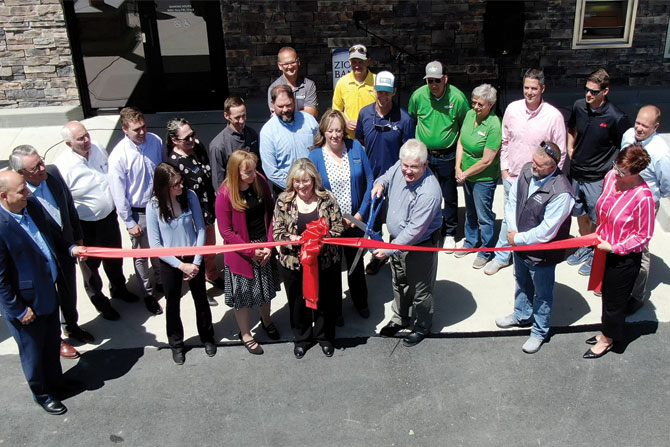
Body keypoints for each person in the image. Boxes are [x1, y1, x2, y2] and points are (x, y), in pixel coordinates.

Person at [0, 170, 87, 415]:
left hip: (47, 291)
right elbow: (1, 279)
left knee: (51, 343)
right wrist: (18, 309)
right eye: (22, 191)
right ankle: (42, 393)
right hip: (26, 305)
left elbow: (52, 237)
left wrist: (70, 249)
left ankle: (56, 383)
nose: (29, 193)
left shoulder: (32, 207)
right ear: (4, 196)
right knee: (33, 353)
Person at [9, 145, 89, 360]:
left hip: (67, 247)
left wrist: (77, 236)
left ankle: (71, 326)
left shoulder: (53, 173)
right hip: (43, 258)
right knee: (49, 300)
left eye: (42, 161)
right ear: (21, 174)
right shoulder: (18, 197)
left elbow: (69, 206)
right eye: (36, 167)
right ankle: (58, 340)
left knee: (69, 291)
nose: (43, 168)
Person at [485, 68, 568, 275]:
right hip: (513, 176)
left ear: (543, 89)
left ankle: (527, 256)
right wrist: (504, 169)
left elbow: (561, 152)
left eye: (534, 88)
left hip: (540, 181)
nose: (529, 92)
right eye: (526, 87)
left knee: (533, 220)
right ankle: (503, 256)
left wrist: (550, 180)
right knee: (509, 217)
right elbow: (504, 141)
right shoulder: (512, 109)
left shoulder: (553, 116)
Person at [55, 121, 139, 322]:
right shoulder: (62, 167)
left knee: (115, 257)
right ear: (69, 143)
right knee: (91, 268)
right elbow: (63, 204)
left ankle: (119, 289)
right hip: (85, 226)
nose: (86, 141)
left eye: (86, 135)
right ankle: (100, 302)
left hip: (108, 219)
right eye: (80, 138)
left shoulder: (99, 148)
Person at [494, 142, 575, 354]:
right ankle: (521, 315)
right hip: (519, 243)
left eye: (540, 165)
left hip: (543, 253)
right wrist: (512, 230)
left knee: (542, 293)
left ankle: (539, 331)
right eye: (533, 161)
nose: (533, 167)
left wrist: (518, 238)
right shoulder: (527, 169)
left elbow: (546, 231)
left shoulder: (562, 193)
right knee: (521, 281)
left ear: (553, 167)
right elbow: (513, 200)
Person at [583, 144, 654, 359]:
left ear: (636, 172)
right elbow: (603, 210)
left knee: (615, 300)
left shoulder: (643, 197)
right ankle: (607, 330)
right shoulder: (611, 177)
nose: (616, 172)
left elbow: (643, 236)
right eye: (616, 166)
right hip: (603, 247)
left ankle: (608, 339)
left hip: (623, 256)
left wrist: (615, 247)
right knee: (604, 293)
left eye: (623, 171)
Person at [373, 139, 443, 347]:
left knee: (421, 290)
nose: (408, 171)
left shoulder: (429, 192)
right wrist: (380, 183)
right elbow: (387, 175)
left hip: (419, 245)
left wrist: (388, 250)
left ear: (425, 165)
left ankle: (422, 326)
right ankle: (400, 318)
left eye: (414, 167)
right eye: (405, 165)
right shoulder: (400, 166)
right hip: (396, 241)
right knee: (399, 282)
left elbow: (414, 231)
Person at [273, 158, 344, 358]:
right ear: (291, 182)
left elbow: (338, 227)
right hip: (294, 264)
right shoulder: (283, 200)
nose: (302, 186)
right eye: (297, 181)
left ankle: (325, 337)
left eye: (306, 181)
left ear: (314, 180)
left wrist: (323, 239)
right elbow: (277, 233)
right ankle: (302, 338)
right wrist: (294, 240)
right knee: (297, 303)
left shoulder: (327, 198)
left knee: (326, 303)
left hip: (325, 262)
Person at [145, 163, 217, 365]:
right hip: (171, 262)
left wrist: (196, 261)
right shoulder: (153, 207)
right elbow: (156, 245)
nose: (180, 186)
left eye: (180, 181)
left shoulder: (190, 196)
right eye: (175, 184)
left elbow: (201, 229)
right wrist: (180, 265)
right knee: (173, 303)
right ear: (163, 186)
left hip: (194, 257)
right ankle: (176, 344)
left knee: (201, 299)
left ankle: (207, 337)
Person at [309, 109, 373, 320]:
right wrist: (329, 221)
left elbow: (370, 182)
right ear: (324, 132)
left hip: (354, 221)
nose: (335, 135)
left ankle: (360, 301)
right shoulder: (316, 156)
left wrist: (361, 213)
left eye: (338, 130)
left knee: (356, 265)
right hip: (329, 226)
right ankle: (335, 310)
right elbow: (312, 192)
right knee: (332, 270)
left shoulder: (356, 148)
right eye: (330, 131)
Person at [215, 151, 281, 355]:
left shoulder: (259, 181)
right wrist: (252, 251)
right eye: (248, 172)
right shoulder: (225, 194)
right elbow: (226, 231)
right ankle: (245, 333)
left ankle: (266, 320)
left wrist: (269, 246)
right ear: (236, 172)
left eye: (254, 169)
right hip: (242, 253)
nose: (253, 174)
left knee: (265, 291)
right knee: (243, 297)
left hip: (263, 246)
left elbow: (272, 213)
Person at [566, 68, 631, 277]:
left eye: (594, 92)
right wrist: (570, 147)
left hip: (597, 179)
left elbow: (627, 147)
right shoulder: (579, 106)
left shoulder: (616, 117)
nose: (588, 95)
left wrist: (616, 172)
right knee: (580, 212)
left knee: (599, 218)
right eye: (586, 90)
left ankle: (596, 251)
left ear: (605, 91)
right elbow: (572, 128)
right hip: (577, 173)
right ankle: (585, 245)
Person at [355, 70, 415, 275]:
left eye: (387, 92)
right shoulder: (364, 114)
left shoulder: (405, 119)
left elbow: (409, 153)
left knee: (397, 220)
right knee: (374, 219)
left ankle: (396, 253)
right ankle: (377, 254)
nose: (383, 96)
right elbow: (360, 143)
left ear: (394, 92)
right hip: (372, 178)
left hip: (397, 179)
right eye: (379, 92)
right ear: (374, 90)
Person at [108, 106, 165, 315]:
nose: (142, 133)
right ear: (125, 129)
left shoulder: (155, 141)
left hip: (158, 205)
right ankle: (148, 293)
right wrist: (129, 221)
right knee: (141, 255)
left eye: (143, 127)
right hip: (137, 211)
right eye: (136, 130)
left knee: (159, 248)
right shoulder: (118, 156)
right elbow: (118, 192)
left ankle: (160, 281)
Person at [408, 61, 469, 252]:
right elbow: (412, 119)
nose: (433, 85)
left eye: (437, 80)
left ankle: (449, 232)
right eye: (429, 81)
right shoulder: (418, 96)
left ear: (445, 79)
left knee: (449, 195)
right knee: (421, 194)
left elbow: (465, 125)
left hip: (447, 155)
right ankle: (425, 227)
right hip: (424, 156)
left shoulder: (457, 98)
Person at [165, 118, 222, 304]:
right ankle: (199, 288)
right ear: (175, 140)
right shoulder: (173, 162)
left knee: (210, 245)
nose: (192, 139)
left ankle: (211, 274)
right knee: (196, 250)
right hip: (190, 212)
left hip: (207, 205)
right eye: (186, 137)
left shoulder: (197, 146)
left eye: (192, 134)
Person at [620, 105, 670, 314]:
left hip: (646, 204)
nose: (639, 128)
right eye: (638, 122)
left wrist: (652, 198)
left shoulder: (660, 152)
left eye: (645, 126)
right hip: (623, 198)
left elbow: (666, 184)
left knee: (641, 248)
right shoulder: (628, 135)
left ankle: (637, 295)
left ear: (656, 127)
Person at [454, 84, 502, 269]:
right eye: (473, 102)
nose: (475, 107)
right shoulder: (468, 115)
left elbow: (487, 160)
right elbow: (461, 142)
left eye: (480, 104)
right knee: (470, 212)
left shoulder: (494, 125)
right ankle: (470, 242)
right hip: (466, 176)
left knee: (484, 216)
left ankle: (486, 250)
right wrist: (458, 167)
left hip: (483, 179)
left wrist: (465, 173)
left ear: (490, 104)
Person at [260, 84, 319, 195]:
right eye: (280, 106)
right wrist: (295, 186)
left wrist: (313, 183)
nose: (285, 110)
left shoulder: (309, 121)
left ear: (294, 101)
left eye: (288, 105)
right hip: (286, 191)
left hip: (314, 188)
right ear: (272, 105)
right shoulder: (267, 132)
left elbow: (322, 150)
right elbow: (271, 170)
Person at [209, 96, 260, 190]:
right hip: (234, 193)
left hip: (253, 189)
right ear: (226, 116)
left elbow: (259, 166)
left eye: (244, 115)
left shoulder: (251, 134)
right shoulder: (219, 145)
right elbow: (218, 181)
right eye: (237, 117)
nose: (242, 120)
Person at [332, 43, 376, 139]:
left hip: (372, 133)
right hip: (350, 136)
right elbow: (337, 109)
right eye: (354, 62)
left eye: (361, 62)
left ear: (368, 62)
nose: (357, 65)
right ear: (349, 62)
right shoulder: (342, 82)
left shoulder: (377, 81)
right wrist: (346, 122)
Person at [267, 46, 318, 118]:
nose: (290, 66)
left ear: (298, 62)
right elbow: (276, 116)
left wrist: (288, 113)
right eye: (286, 64)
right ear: (279, 66)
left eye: (292, 62)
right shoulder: (273, 88)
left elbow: (312, 112)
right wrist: (303, 112)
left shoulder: (309, 85)